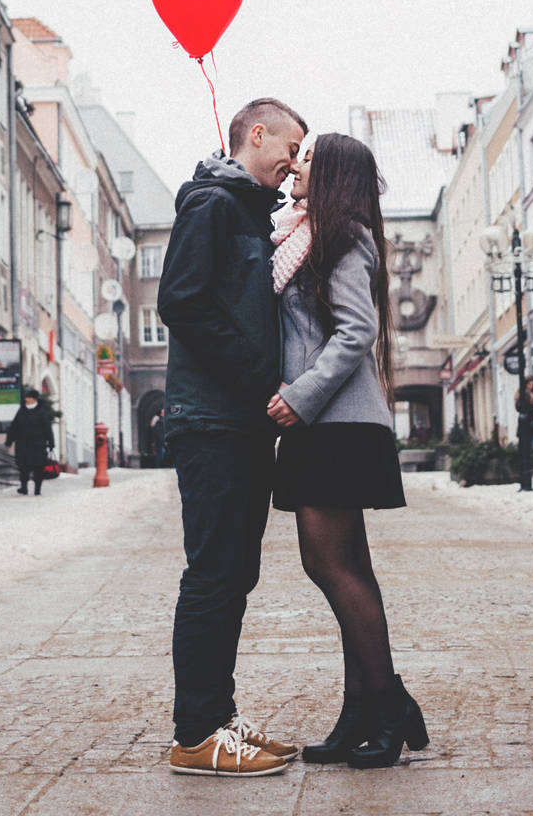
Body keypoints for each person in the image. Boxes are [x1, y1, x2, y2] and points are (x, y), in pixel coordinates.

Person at [267, 133, 426, 769]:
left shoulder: (346, 237)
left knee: (331, 567)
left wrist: (300, 396)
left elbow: (356, 330)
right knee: (346, 568)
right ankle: (365, 707)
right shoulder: (300, 236)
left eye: (307, 160)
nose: (295, 167)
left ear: (331, 174)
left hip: (335, 422)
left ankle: (384, 704)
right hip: (322, 423)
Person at [158, 98, 306, 777]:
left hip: (240, 421)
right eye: (290, 146)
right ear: (256, 133)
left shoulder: (249, 213)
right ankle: (196, 733)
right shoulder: (213, 206)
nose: (294, 163)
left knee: (234, 574)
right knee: (215, 573)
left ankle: (220, 718)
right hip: (212, 419)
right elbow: (182, 302)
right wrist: (260, 378)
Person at [5, 389, 54, 495]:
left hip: (38, 445)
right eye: (26, 397)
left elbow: (47, 429)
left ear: (34, 399)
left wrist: (51, 443)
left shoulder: (42, 412)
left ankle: (37, 490)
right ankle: (24, 488)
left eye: (28, 397)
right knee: (23, 467)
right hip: (23, 444)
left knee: (38, 468)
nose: (26, 399)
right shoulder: (21, 411)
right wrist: (9, 441)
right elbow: (14, 427)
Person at [514, 377, 533, 492]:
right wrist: (532, 406)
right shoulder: (522, 395)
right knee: (525, 450)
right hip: (525, 426)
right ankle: (528, 476)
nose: (531, 386)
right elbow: (521, 408)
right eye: (529, 384)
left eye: (532, 384)